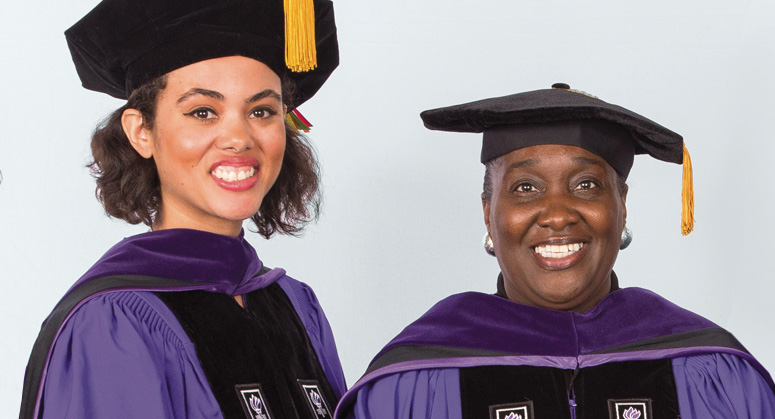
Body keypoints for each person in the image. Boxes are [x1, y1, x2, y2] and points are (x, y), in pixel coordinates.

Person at [334, 84, 775, 419]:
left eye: (586, 185)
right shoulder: (413, 380)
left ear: (622, 208)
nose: (558, 214)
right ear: (489, 213)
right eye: (526, 188)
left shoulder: (710, 369)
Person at [19, 1, 344, 418]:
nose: (239, 138)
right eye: (203, 112)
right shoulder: (111, 321)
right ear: (141, 132)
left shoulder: (296, 305)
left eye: (261, 111)